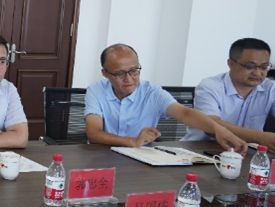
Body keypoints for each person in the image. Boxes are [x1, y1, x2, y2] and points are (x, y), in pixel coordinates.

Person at [84, 43, 246, 154]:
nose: (129, 79)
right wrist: (132, 141)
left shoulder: (152, 93)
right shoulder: (96, 90)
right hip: (100, 156)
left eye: (134, 71)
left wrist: (218, 129)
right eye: (120, 73)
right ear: (105, 73)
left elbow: (185, 114)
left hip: (140, 158)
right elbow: (94, 134)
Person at [183, 38, 275, 149]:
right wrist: (260, 137)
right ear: (231, 63)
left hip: (246, 153)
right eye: (250, 66)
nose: (257, 73)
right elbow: (211, 125)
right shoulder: (210, 86)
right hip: (201, 150)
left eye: (264, 67)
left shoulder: (270, 88)